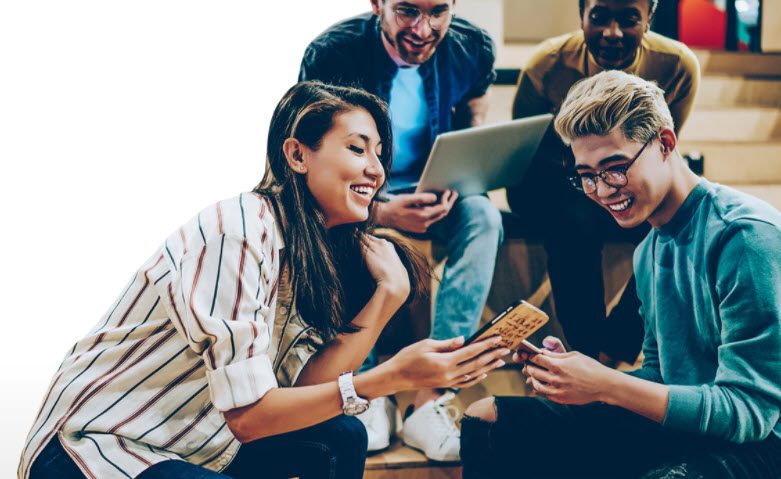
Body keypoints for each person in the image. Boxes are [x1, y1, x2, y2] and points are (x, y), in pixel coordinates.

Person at [18, 81, 510, 479]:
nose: (377, 170)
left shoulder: (323, 247)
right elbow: (252, 418)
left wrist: (389, 296)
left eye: (380, 153)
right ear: (297, 156)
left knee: (342, 435)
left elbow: (309, 387)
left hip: (199, 439)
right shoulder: (240, 232)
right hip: (100, 445)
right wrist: (395, 377)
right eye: (358, 149)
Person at [460, 70, 781, 478]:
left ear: (665, 143)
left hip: (761, 443)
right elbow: (661, 378)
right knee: (487, 419)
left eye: (614, 167)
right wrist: (580, 378)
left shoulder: (744, 237)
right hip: (689, 427)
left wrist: (605, 385)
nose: (603, 190)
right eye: (587, 176)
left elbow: (749, 412)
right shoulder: (649, 249)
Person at [299, 0, 502, 461]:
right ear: (377, 4)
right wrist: (382, 211)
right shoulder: (332, 54)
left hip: (437, 188)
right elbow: (314, 173)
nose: (422, 28)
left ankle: (432, 394)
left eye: (437, 12)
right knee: (343, 226)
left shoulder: (473, 47)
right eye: (407, 11)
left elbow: (475, 111)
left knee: (485, 218)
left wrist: (464, 172)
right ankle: (364, 392)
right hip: (360, 195)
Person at [507, 0, 700, 362]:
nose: (612, 33)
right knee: (572, 223)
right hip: (556, 179)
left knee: (677, 221)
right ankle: (586, 352)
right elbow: (525, 152)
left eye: (628, 19)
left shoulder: (678, 65)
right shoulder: (546, 64)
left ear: (649, 20)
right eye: (598, 18)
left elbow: (661, 150)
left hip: (626, 175)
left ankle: (613, 350)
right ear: (581, 17)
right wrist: (589, 179)